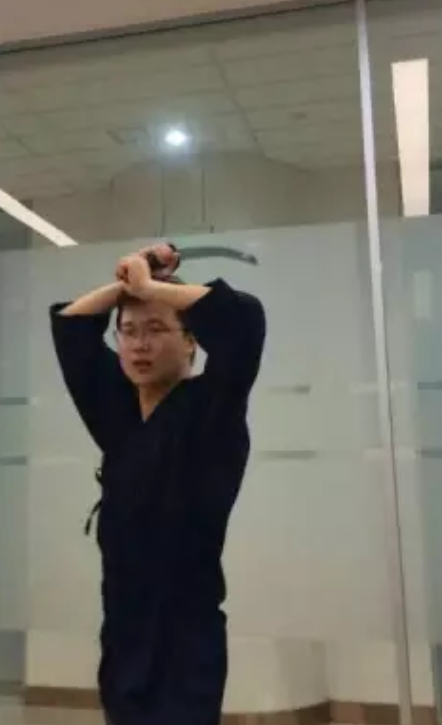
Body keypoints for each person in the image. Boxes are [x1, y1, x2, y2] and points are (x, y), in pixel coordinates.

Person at [50, 243, 267, 725]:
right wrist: (130, 283)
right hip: (123, 636)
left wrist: (151, 287)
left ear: (191, 342)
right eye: (128, 332)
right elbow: (71, 324)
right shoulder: (118, 414)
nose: (139, 345)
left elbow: (244, 322)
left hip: (184, 642)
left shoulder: (212, 408)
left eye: (156, 329)